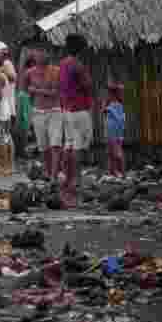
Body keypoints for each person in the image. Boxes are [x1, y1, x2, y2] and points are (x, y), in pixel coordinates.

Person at [59, 34, 94, 207]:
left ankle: (67, 177)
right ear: (81, 48)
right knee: (78, 146)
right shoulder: (78, 65)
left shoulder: (63, 64)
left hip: (67, 109)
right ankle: (75, 180)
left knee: (69, 144)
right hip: (79, 109)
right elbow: (88, 84)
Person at [25, 48, 62, 180]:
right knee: (43, 146)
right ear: (34, 55)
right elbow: (26, 92)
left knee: (55, 144)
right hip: (38, 112)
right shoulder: (29, 73)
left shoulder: (56, 71)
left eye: (44, 52)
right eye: (39, 52)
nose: (41, 55)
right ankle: (47, 171)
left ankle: (54, 174)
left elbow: (56, 92)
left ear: (49, 54)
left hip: (54, 111)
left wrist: (37, 90)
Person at [104, 81, 126, 178]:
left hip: (113, 132)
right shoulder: (118, 105)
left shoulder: (113, 106)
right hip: (116, 131)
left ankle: (122, 172)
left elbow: (105, 112)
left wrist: (106, 108)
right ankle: (112, 172)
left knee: (117, 152)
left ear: (112, 95)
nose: (107, 95)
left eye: (109, 93)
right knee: (111, 153)